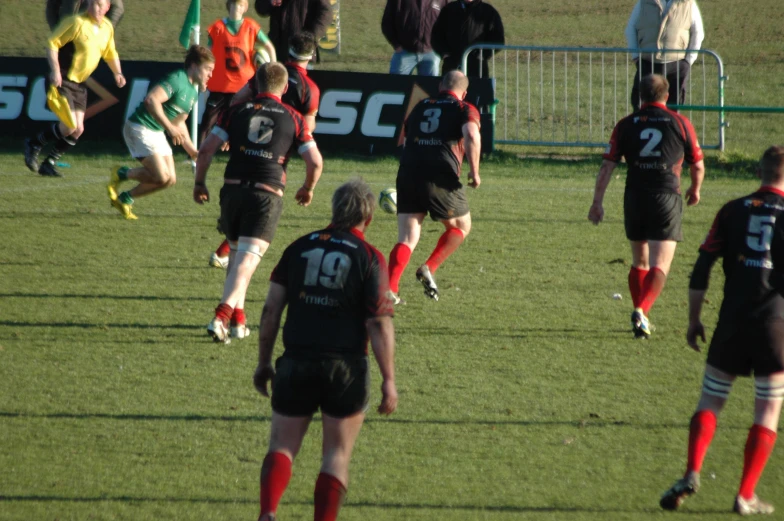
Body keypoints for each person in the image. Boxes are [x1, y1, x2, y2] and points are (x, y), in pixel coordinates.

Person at [253, 178, 397, 521]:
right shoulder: (370, 257)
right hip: (345, 368)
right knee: (336, 455)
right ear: (369, 217)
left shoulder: (298, 247)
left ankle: (268, 513)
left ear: (334, 210)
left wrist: (263, 363)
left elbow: (271, 309)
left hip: (296, 361)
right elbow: (377, 323)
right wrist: (389, 378)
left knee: (282, 447)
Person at [659, 146, 784, 516]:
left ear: (759, 170)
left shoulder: (732, 209)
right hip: (774, 324)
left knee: (711, 400)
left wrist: (694, 319)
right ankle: (745, 495)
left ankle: (691, 472)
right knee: (767, 410)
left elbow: (702, 267)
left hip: (731, 320)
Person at [194, 62, 323, 343]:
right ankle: (222, 315)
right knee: (247, 260)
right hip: (266, 194)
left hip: (231, 192)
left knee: (239, 255)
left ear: (255, 85)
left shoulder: (235, 112)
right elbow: (315, 162)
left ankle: (238, 320)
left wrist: (200, 182)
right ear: (285, 87)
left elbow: (205, 151)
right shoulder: (294, 117)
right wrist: (307, 188)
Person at [588, 74, 704, 339]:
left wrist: (597, 203)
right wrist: (695, 189)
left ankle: (640, 314)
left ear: (640, 96)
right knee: (660, 264)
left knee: (639, 260)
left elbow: (608, 166)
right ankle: (642, 310)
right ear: (668, 95)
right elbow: (697, 163)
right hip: (666, 196)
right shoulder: (680, 123)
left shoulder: (626, 124)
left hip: (635, 197)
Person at [210, 31, 321, 269]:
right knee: (262, 202)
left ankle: (225, 247)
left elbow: (238, 100)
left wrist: (232, 130)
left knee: (241, 190)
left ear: (289, 49)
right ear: (311, 55)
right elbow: (308, 128)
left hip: (248, 141)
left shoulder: (269, 74)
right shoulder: (309, 88)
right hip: (278, 149)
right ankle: (226, 252)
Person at [386, 70, 481, 304]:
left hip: (408, 172)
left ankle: (389, 290)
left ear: (441, 86)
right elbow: (471, 134)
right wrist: (474, 170)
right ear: (464, 92)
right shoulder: (464, 108)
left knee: (407, 237)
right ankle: (429, 267)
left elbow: (406, 140)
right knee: (461, 226)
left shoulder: (419, 106)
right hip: (440, 175)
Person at [107, 45, 215, 220]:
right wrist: (170, 128)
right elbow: (151, 100)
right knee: (161, 175)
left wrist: (192, 152)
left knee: (170, 180)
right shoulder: (177, 79)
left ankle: (125, 198)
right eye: (208, 69)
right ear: (194, 66)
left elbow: (179, 123)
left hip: (155, 132)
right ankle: (122, 173)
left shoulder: (193, 93)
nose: (211, 74)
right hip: (139, 127)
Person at [24, 0, 126, 178]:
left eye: (99, 4)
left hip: (80, 84)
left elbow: (111, 52)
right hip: (63, 79)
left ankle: (49, 163)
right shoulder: (76, 22)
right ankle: (34, 143)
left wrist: (118, 73)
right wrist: (55, 71)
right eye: (92, 3)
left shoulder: (107, 27)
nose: (94, 7)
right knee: (70, 125)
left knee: (78, 129)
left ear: (107, 7)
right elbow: (52, 44)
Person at [199, 0, 276, 147]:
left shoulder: (251, 27)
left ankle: (244, 151)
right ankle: (198, 154)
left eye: (241, 5)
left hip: (243, 86)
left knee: (245, 121)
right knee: (207, 121)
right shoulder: (217, 27)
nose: (237, 8)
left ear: (245, 8)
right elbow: (208, 54)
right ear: (229, 6)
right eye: (234, 5)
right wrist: (203, 75)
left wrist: (272, 68)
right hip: (219, 85)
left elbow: (269, 47)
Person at [625, 0, 705, 111]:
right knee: (640, 105)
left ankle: (669, 127)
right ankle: (642, 127)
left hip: (677, 65)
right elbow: (630, 29)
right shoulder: (644, 2)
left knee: (674, 107)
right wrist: (636, 57)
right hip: (648, 62)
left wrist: (688, 60)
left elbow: (698, 32)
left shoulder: (688, 3)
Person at [430, 0, 504, 78]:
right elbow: (437, 35)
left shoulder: (488, 11)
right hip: (452, 66)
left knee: (476, 90)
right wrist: (445, 53)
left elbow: (498, 39)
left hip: (477, 68)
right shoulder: (449, 9)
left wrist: (481, 55)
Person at [254, 0, 332, 67]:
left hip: (302, 53)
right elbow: (260, 7)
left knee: (300, 83)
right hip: (277, 51)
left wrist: (310, 37)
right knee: (276, 83)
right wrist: (270, 1)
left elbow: (325, 12)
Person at [381, 0, 447, 76]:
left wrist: (442, 48)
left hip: (432, 54)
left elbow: (448, 24)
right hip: (404, 52)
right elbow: (387, 22)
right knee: (397, 85)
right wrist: (396, 45)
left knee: (428, 86)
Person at [46, 0, 124, 29]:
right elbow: (51, 5)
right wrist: (55, 28)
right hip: (64, 38)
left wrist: (104, 30)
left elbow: (118, 8)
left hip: (90, 39)